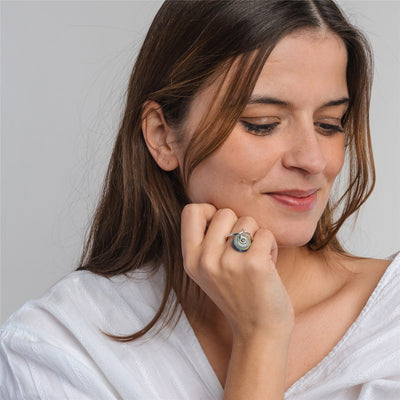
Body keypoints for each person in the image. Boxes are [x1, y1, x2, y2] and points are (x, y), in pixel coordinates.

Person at [1, 0, 399, 399]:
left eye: (329, 124)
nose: (313, 160)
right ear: (162, 136)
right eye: (262, 124)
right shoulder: (61, 344)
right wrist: (260, 335)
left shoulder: (391, 321)